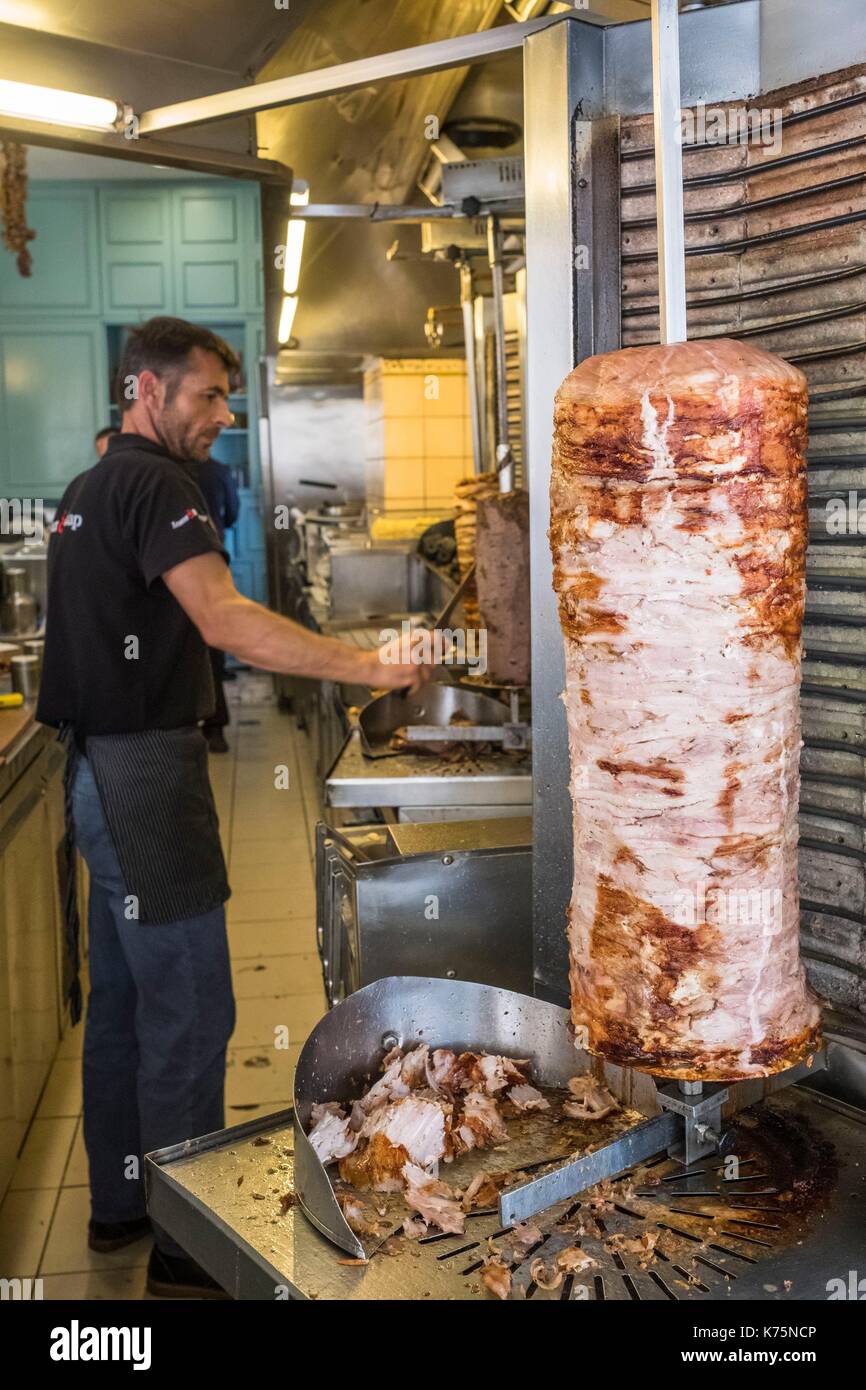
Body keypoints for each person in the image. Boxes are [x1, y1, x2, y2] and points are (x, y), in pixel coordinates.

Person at [36, 316, 428, 1299]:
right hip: (146, 779)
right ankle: (185, 1251)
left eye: (224, 395)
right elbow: (226, 618)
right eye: (207, 394)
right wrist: (368, 664)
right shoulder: (160, 483)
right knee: (192, 1007)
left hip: (95, 773)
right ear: (148, 391)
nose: (222, 414)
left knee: (124, 1005)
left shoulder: (90, 489)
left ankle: (124, 1203)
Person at [193, 456, 240, 753]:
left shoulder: (166, 472)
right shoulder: (219, 470)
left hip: (171, 574)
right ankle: (215, 729)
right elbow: (233, 512)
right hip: (213, 559)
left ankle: (194, 727)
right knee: (212, 650)